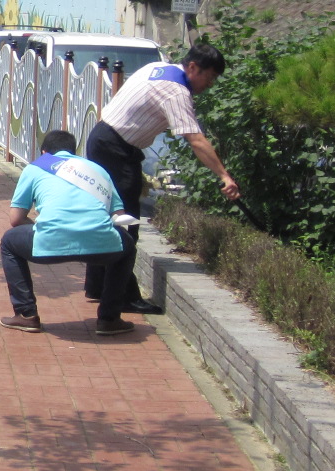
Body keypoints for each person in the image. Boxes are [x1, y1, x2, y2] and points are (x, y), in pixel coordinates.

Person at [84, 43, 240, 313]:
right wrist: (224, 175)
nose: (210, 84)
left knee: (105, 216)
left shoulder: (159, 68)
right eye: (210, 77)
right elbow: (196, 139)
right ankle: (120, 297)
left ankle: (99, 286)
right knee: (126, 223)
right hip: (117, 149)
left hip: (104, 138)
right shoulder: (176, 91)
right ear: (193, 68)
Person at [0, 130, 136, 337]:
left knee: (9, 242)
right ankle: (109, 318)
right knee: (127, 246)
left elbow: (16, 220)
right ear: (74, 152)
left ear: (44, 152)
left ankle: (26, 315)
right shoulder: (97, 170)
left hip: (48, 244)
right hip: (101, 246)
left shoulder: (36, 168)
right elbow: (119, 216)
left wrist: (43, 225)